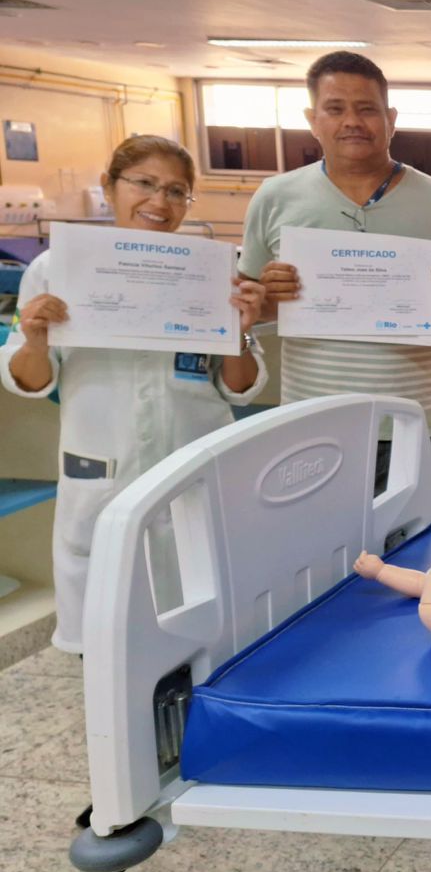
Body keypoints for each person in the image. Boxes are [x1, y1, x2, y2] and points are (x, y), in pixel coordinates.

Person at [0, 135, 267, 654]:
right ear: (109, 186)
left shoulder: (215, 273)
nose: (159, 202)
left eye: (176, 191)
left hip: (195, 454)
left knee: (199, 625)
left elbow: (237, 388)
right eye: (143, 184)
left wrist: (237, 331)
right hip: (102, 462)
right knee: (106, 634)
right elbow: (31, 382)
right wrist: (34, 339)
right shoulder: (53, 271)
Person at [239, 51, 431, 505]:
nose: (352, 121)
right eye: (335, 109)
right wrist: (269, 300)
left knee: (407, 568)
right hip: (308, 430)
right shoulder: (275, 198)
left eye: (367, 108)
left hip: (412, 428)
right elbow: (243, 311)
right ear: (313, 119)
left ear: (390, 119)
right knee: (312, 568)